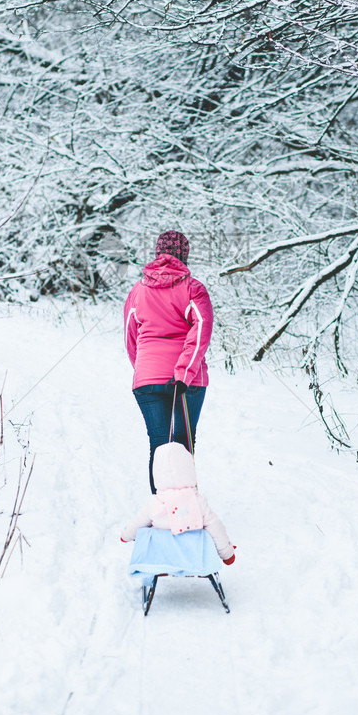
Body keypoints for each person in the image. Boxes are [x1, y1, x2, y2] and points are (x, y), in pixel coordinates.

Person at [124, 230, 213, 492]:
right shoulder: (193, 289)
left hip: (147, 380)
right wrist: (184, 372)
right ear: (184, 255)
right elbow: (202, 330)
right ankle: (186, 508)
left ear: (157, 253)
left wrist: (144, 370)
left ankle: (161, 509)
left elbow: (131, 338)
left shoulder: (137, 292)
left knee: (159, 445)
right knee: (184, 444)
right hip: (188, 380)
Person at [120, 442, 235, 564]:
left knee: (148, 532)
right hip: (193, 557)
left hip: (161, 558)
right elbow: (216, 527)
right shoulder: (197, 501)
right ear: (189, 470)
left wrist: (126, 535)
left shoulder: (155, 502)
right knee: (207, 529)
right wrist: (227, 553)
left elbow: (138, 522)